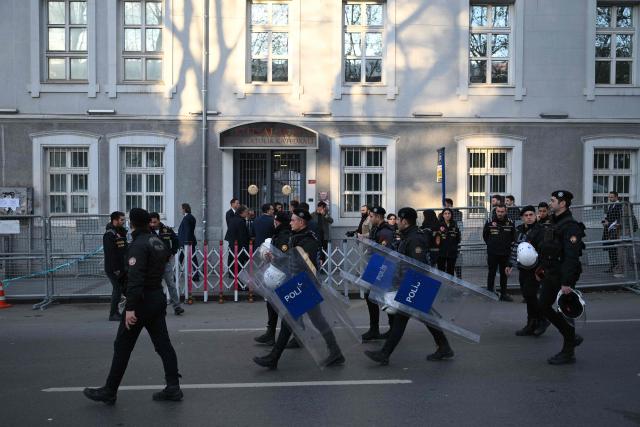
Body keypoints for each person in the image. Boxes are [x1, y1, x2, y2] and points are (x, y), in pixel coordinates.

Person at [84, 208, 183, 404]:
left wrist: (130, 308)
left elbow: (135, 279)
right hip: (156, 297)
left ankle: (110, 390)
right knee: (163, 345)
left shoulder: (138, 245)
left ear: (133, 223)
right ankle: (173, 387)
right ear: (148, 223)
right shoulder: (157, 241)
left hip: (141, 302)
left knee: (122, 345)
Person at [253, 208, 345, 369]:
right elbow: (291, 260)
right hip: (302, 285)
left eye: (293, 220)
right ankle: (336, 352)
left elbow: (303, 264)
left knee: (291, 320)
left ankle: (273, 358)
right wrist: (275, 258)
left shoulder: (308, 240)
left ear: (301, 222)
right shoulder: (299, 237)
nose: (290, 222)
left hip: (305, 285)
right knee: (316, 320)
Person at [364, 207, 453, 365]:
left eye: (399, 219)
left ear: (405, 221)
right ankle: (444, 347)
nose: (397, 222)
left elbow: (417, 265)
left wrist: (404, 284)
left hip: (415, 283)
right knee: (427, 318)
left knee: (401, 319)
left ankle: (385, 354)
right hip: (414, 283)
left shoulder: (414, 238)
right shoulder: (408, 236)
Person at [528, 191, 584, 365]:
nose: (550, 203)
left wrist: (567, 282)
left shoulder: (571, 226)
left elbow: (571, 256)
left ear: (563, 203)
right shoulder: (552, 222)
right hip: (551, 272)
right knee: (543, 305)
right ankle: (571, 336)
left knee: (566, 312)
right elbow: (548, 248)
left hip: (564, 274)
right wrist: (541, 268)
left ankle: (568, 351)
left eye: (553, 201)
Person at [254, 211, 291, 346]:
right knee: (272, 303)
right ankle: (270, 333)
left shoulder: (284, 235)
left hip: (282, 276)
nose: (274, 223)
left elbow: (285, 255)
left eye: (275, 220)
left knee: (288, 309)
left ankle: (277, 338)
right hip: (277, 274)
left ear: (278, 222)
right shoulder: (280, 233)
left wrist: (273, 257)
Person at [361, 206, 396, 341]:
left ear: (377, 216)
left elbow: (384, 253)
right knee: (371, 297)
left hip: (383, 268)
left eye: (371, 216)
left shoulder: (385, 232)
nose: (370, 218)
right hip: (376, 266)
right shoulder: (377, 229)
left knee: (385, 298)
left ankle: (391, 328)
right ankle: (375, 329)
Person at [508, 206, 541, 336]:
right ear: (522, 217)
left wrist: (541, 271)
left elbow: (545, 251)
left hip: (535, 269)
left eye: (531, 214)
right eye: (526, 215)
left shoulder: (540, 230)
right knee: (527, 296)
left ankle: (539, 321)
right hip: (522, 268)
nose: (528, 217)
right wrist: (509, 264)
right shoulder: (519, 230)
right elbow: (515, 247)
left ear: (535, 215)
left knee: (531, 295)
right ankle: (531, 323)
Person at [149, 212, 184, 316]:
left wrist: (173, 252)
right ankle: (159, 307)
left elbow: (176, 241)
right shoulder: (147, 231)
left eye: (154, 222)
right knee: (156, 287)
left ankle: (177, 307)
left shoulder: (167, 230)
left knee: (171, 285)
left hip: (165, 262)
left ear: (159, 220)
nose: (152, 224)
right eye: (151, 222)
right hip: (153, 264)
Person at [483, 204, 515, 301]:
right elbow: (485, 236)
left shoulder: (510, 223)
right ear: (495, 211)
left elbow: (513, 237)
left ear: (505, 212)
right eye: (498, 211)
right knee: (491, 273)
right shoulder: (489, 222)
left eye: (502, 211)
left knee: (504, 274)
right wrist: (491, 245)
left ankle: (503, 294)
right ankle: (489, 293)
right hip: (493, 253)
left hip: (505, 254)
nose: (500, 213)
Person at [103, 211, 128, 321]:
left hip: (121, 267)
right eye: (121, 220)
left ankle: (120, 312)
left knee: (123, 289)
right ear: (115, 220)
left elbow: (123, 249)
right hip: (113, 268)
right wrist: (116, 269)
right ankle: (113, 314)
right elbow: (110, 253)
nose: (124, 221)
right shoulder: (109, 234)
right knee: (117, 290)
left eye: (124, 219)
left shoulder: (120, 232)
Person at [602, 191, 623, 276]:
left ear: (616, 197)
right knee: (610, 248)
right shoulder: (611, 205)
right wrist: (605, 221)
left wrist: (609, 223)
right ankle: (612, 266)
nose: (610, 199)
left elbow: (619, 219)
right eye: (609, 197)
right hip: (609, 230)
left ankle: (616, 267)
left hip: (615, 230)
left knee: (614, 248)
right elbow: (609, 216)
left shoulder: (619, 205)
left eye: (612, 197)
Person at [435, 208, 461, 276]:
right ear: (443, 215)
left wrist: (454, 246)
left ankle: (450, 286)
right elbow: (437, 239)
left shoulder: (455, 225)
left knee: (451, 271)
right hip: (441, 252)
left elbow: (458, 239)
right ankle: (442, 286)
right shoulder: (439, 225)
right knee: (441, 271)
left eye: (449, 213)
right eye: (445, 213)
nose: (447, 215)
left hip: (452, 252)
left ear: (451, 215)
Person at [226, 205, 251, 276]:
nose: (247, 213)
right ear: (242, 212)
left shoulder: (233, 219)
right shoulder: (240, 221)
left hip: (232, 244)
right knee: (239, 264)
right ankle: (239, 281)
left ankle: (232, 275)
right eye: (246, 212)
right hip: (239, 246)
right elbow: (243, 236)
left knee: (232, 261)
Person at [178, 203, 199, 282]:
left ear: (184, 209)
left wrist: (186, 243)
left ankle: (175, 275)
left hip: (186, 242)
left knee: (180, 258)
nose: (181, 211)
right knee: (193, 258)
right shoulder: (191, 217)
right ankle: (196, 275)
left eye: (182, 209)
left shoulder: (187, 218)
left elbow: (187, 231)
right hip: (189, 241)